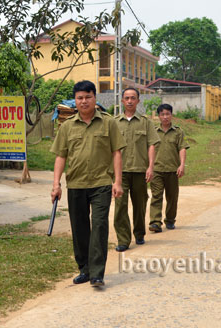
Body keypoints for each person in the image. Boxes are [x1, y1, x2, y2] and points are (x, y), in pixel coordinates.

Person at [50, 80, 125, 287]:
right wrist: (56, 184)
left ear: (95, 98)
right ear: (75, 101)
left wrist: (117, 182)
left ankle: (97, 273)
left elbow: (116, 152)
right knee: (80, 228)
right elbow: (60, 157)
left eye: (88, 97)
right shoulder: (67, 127)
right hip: (76, 184)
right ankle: (84, 269)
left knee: (99, 226)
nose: (84, 101)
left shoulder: (109, 123)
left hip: (101, 182)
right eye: (80, 98)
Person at [114, 87, 160, 252]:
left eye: (133, 98)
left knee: (140, 205)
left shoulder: (146, 122)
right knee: (120, 206)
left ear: (138, 101)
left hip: (140, 170)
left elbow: (152, 145)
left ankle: (139, 233)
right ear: (122, 101)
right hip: (120, 173)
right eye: (127, 98)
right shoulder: (114, 122)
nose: (130, 101)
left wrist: (151, 167)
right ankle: (123, 239)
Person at [149, 104, 189, 232]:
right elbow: (149, 150)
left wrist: (182, 165)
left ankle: (170, 220)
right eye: (162, 114)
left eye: (167, 114)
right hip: (157, 170)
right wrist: (149, 167)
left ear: (171, 115)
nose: (165, 117)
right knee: (156, 196)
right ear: (158, 116)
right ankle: (155, 222)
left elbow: (182, 148)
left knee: (172, 197)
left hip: (173, 170)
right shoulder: (153, 132)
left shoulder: (178, 132)